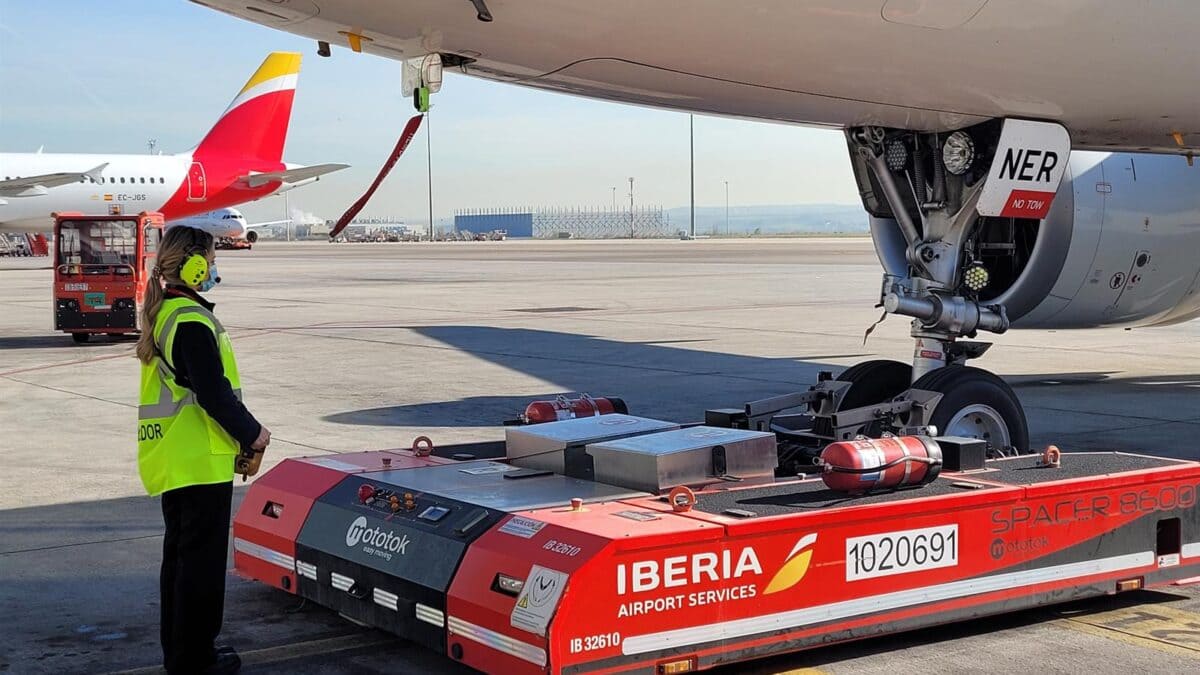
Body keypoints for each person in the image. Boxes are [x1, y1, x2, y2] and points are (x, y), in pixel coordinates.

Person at [136, 225, 270, 674]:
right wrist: (253, 432)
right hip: (199, 460)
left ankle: (182, 655)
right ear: (193, 265)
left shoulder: (169, 312)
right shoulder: (191, 320)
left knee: (178, 562)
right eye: (212, 260)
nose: (215, 268)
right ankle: (195, 660)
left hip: (178, 459)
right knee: (200, 570)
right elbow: (213, 393)